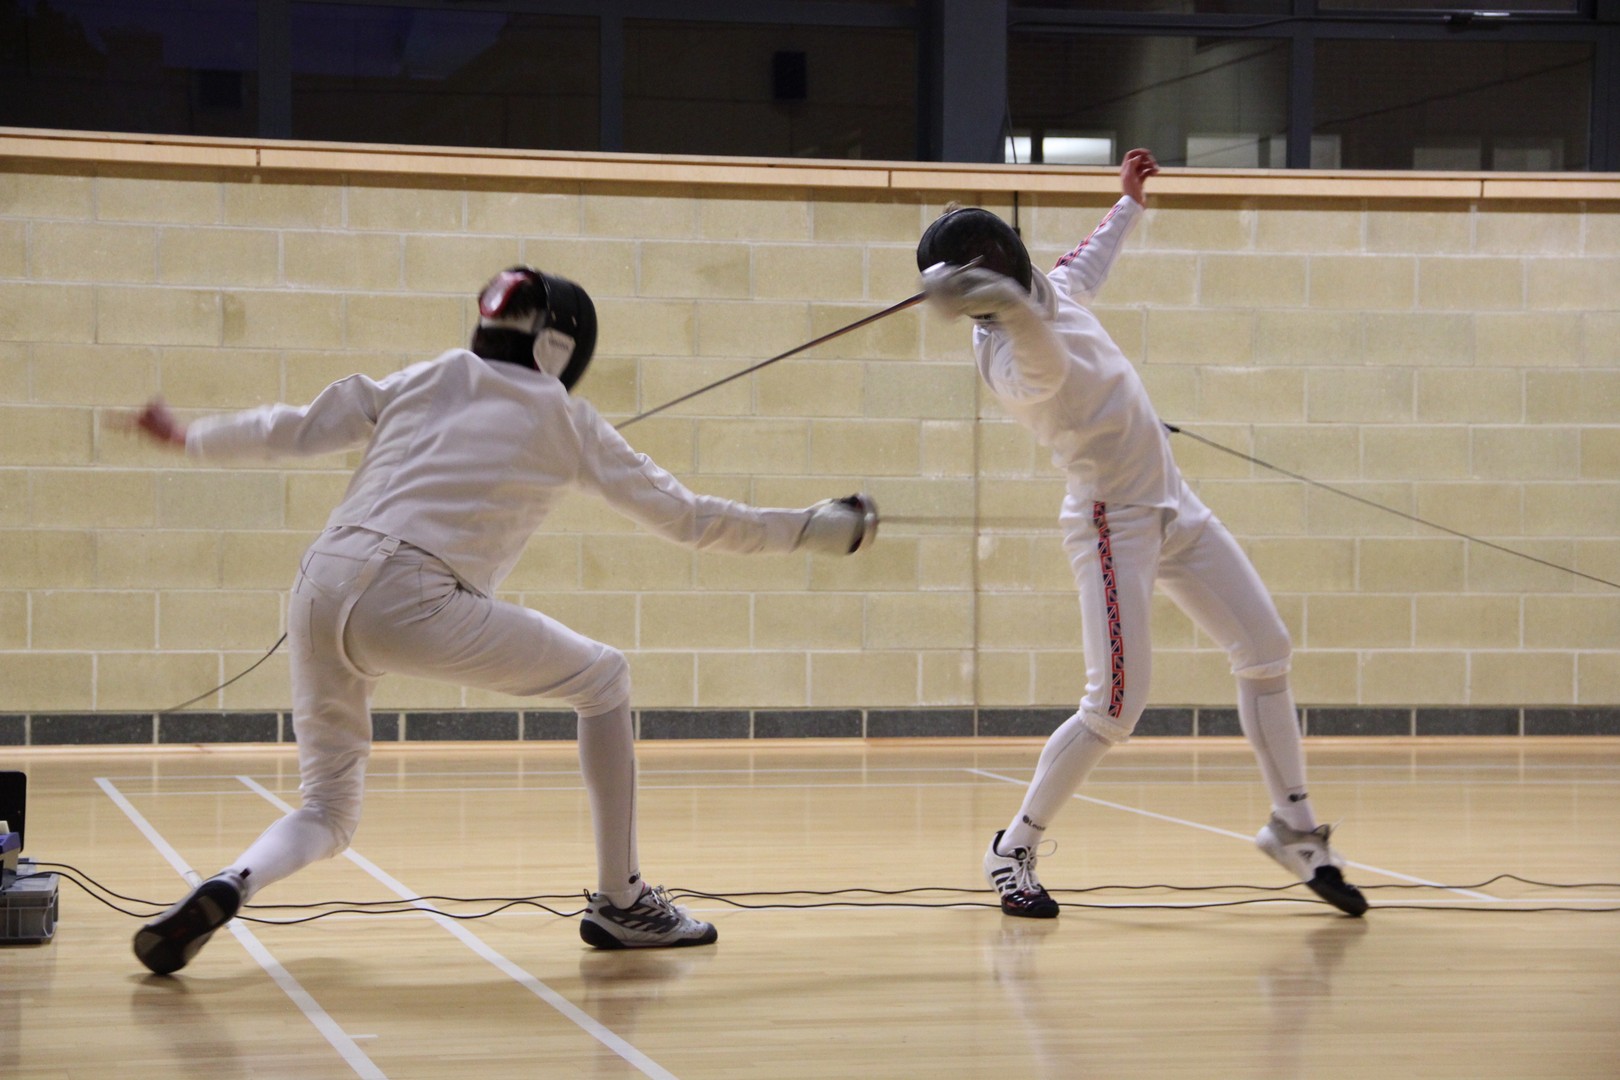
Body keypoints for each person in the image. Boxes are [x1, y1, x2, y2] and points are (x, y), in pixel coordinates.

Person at [127, 266, 879, 973]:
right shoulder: (567, 420)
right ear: (562, 347)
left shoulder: (428, 376)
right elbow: (693, 519)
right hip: (412, 596)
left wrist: (192, 435)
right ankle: (622, 902)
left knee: (327, 807)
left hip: (318, 583)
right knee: (604, 679)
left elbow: (296, 427)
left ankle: (233, 880)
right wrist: (814, 529)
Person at [917, 150, 1367, 919]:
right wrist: (1006, 305)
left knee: (1266, 650)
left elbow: (1084, 265)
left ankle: (1294, 827)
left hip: (1172, 505)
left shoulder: (1047, 289)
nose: (1003, 264)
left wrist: (1127, 203)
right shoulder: (1009, 358)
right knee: (1115, 706)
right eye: (986, 265)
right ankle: (1012, 849)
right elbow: (1050, 362)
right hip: (1111, 522)